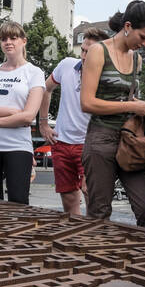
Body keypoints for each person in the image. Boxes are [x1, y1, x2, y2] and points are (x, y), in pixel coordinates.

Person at [80, 2, 145, 224]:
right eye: (142, 37)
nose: (144, 43)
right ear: (127, 26)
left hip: (130, 141)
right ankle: (97, 256)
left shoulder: (137, 58)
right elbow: (86, 103)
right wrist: (131, 106)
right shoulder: (98, 51)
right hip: (100, 137)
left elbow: (127, 97)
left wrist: (144, 106)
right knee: (99, 212)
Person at [0, 21, 45, 204]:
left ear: (24, 41)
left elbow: (28, 116)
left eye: (13, 37)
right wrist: (11, 112)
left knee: (18, 202)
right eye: (3, 39)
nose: (8, 42)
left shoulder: (34, 72)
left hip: (18, 145)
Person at [40, 28, 109, 216]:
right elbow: (45, 89)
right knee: (69, 198)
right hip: (61, 142)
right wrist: (44, 123)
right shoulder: (67, 65)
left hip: (89, 144)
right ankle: (74, 239)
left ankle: (94, 240)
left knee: (91, 196)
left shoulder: (108, 77)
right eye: (83, 50)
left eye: (90, 51)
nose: (85, 56)